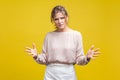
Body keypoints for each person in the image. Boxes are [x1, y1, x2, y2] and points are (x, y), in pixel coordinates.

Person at [25, 5, 100, 80]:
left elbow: (79, 59)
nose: (59, 21)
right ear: (53, 20)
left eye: (62, 18)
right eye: (56, 19)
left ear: (67, 18)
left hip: (68, 74)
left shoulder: (76, 35)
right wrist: (36, 56)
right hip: (50, 74)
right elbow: (45, 58)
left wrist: (87, 58)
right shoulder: (49, 36)